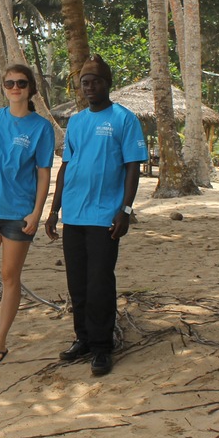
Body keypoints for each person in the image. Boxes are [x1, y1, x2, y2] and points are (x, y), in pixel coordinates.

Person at [44, 55, 149, 377]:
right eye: (85, 82)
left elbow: (133, 166)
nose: (90, 87)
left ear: (108, 84)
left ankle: (103, 347)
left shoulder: (124, 119)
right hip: (74, 214)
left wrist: (126, 210)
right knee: (77, 283)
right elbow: (66, 166)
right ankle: (84, 339)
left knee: (100, 282)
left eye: (96, 81)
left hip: (105, 216)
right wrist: (54, 209)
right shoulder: (76, 121)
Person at [0, 64, 54, 366]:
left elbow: (44, 173)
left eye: (21, 83)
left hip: (20, 213)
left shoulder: (41, 127)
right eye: (9, 84)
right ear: (3, 87)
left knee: (8, 276)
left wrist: (37, 212)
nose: (15, 88)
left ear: (30, 88)